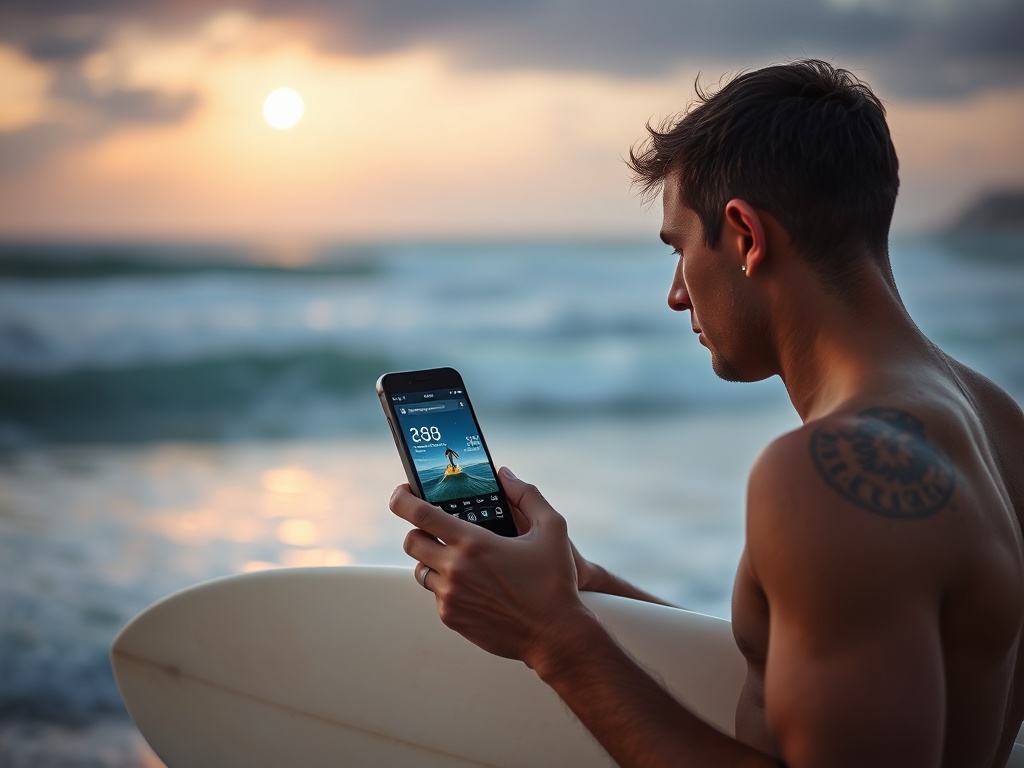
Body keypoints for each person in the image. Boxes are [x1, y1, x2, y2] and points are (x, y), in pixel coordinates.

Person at [389, 59, 1024, 767]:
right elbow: (814, 658)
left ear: (746, 235)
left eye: (681, 247)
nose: (676, 294)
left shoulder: (831, 474)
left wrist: (553, 637)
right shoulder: (997, 420)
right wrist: (582, 585)